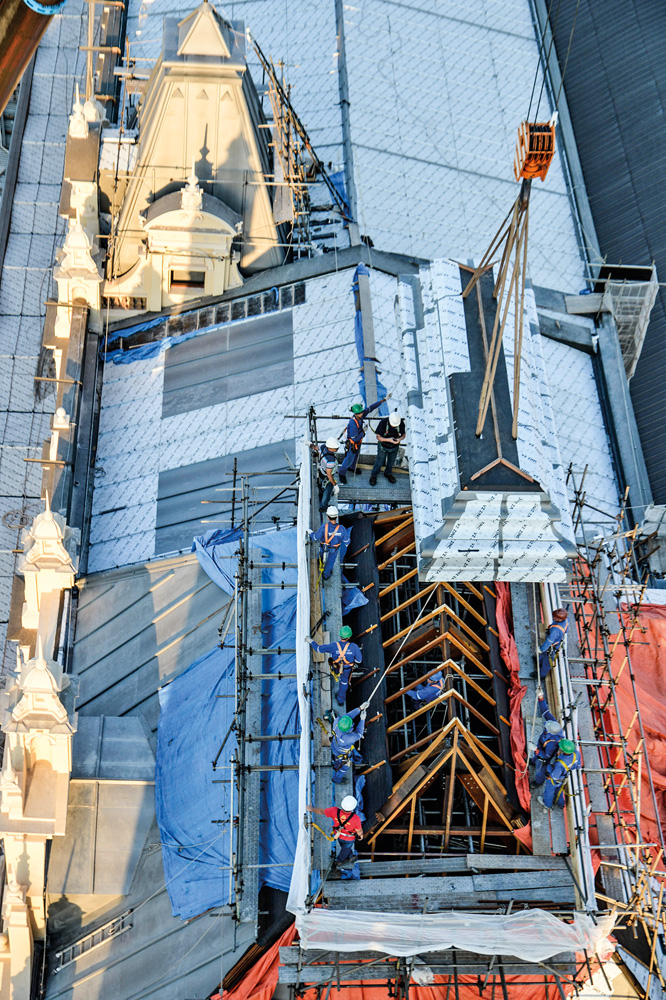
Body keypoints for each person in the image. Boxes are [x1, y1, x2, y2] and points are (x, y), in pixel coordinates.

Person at [338, 396, 389, 483]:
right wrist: (363, 431)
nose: (362, 413)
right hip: (353, 444)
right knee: (349, 459)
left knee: (356, 456)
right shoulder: (353, 424)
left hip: (358, 443)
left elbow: (370, 408)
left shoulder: (360, 416)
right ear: (355, 413)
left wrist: (382, 401)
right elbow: (355, 438)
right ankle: (342, 473)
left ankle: (352, 468)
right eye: (360, 413)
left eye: (362, 412)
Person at [306, 625, 362, 704]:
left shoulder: (334, 646)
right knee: (344, 683)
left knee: (336, 671)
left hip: (336, 667)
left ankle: (336, 674)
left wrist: (311, 641)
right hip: (346, 670)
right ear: (349, 637)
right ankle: (340, 700)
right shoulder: (354, 647)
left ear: (340, 635)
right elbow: (359, 661)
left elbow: (318, 649)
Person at [307, 795, 363, 868]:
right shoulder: (356, 818)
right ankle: (339, 861)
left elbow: (321, 811)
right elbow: (359, 830)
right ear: (353, 807)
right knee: (345, 849)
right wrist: (361, 835)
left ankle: (350, 855)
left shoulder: (334, 811)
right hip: (349, 838)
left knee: (344, 847)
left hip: (338, 835)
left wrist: (311, 809)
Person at [531, 692, 564, 786]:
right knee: (534, 759)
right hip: (541, 746)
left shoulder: (552, 743)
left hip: (543, 757)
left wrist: (536, 750)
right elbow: (546, 712)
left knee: (540, 769)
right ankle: (533, 761)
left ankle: (538, 782)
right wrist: (541, 699)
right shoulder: (553, 724)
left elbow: (546, 756)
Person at [538, 738, 581, 809]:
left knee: (549, 790)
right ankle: (560, 803)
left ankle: (547, 804)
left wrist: (549, 768)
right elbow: (577, 766)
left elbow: (555, 776)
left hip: (556, 778)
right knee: (559, 789)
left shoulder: (560, 763)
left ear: (563, 751)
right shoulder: (576, 754)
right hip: (565, 776)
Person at [308, 507, 349, 581]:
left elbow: (315, 538)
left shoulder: (324, 527)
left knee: (321, 554)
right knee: (331, 561)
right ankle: (326, 575)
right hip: (334, 549)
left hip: (324, 546)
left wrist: (310, 532)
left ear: (327, 517)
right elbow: (346, 541)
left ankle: (318, 561)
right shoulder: (342, 529)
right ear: (336, 517)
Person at [329, 704, 368, 782]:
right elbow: (359, 734)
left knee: (337, 759)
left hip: (334, 746)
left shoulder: (337, 722)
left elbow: (347, 716)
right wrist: (362, 720)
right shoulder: (348, 738)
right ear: (349, 729)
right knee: (345, 766)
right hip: (342, 753)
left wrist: (359, 708)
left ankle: (335, 764)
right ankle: (337, 779)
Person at [369, 411, 405, 486]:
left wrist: (399, 439)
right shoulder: (383, 423)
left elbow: (403, 434)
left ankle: (388, 473)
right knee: (379, 462)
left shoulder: (400, 422)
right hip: (383, 447)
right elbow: (378, 437)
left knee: (391, 462)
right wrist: (389, 440)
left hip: (394, 447)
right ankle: (374, 475)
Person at [539, 609, 569, 679]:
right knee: (544, 655)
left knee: (547, 661)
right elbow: (566, 630)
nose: (553, 618)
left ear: (559, 619)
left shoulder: (555, 631)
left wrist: (541, 649)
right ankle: (540, 660)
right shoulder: (567, 619)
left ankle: (541, 675)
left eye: (555, 617)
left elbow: (549, 642)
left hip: (552, 646)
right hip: (556, 641)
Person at [318, 437, 340, 511]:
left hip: (321, 472)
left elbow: (315, 448)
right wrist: (334, 484)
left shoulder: (323, 447)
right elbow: (329, 474)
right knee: (327, 492)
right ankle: (323, 506)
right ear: (331, 448)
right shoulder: (331, 460)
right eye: (336, 448)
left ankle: (321, 493)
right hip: (327, 477)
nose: (337, 449)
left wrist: (310, 445)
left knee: (321, 486)